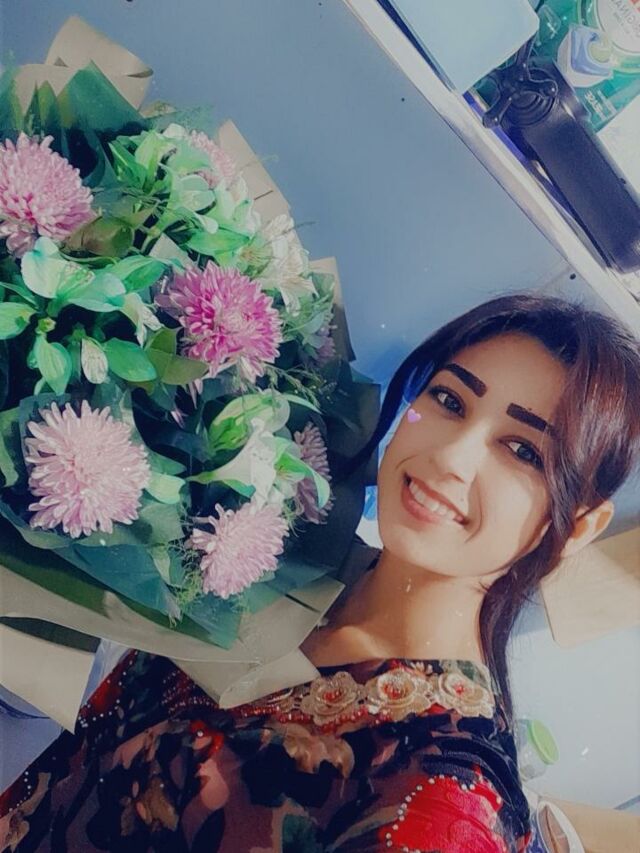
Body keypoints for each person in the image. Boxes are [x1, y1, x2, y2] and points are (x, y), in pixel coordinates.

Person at [1, 293, 638, 852]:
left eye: (523, 451)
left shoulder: (443, 802)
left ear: (577, 528)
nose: (452, 455)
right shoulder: (279, 545)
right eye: (449, 399)